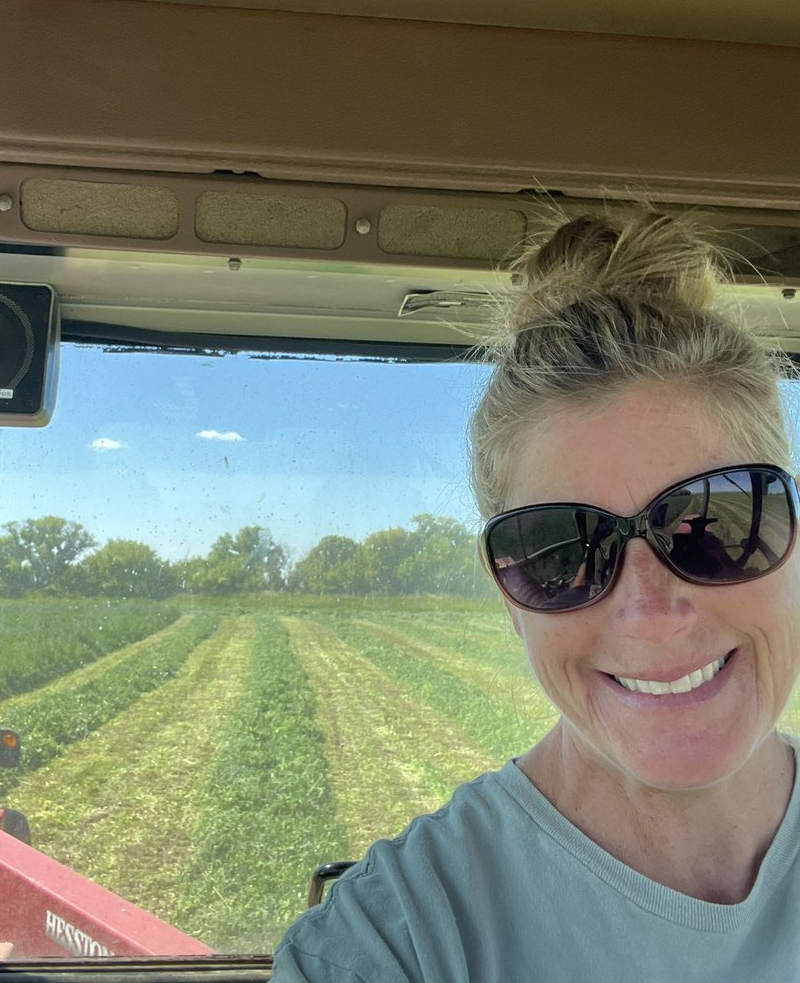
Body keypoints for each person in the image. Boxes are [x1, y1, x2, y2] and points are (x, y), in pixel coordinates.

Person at [271, 209, 800, 982]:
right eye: (561, 551)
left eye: (713, 522)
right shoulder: (396, 945)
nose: (651, 613)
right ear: (508, 595)